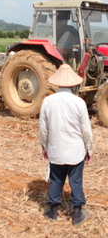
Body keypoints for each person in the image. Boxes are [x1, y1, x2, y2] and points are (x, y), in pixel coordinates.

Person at [40, 64, 93, 226]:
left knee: (56, 180)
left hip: (56, 149)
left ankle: (53, 212)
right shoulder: (79, 102)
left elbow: (43, 129)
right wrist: (89, 149)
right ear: (73, 84)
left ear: (57, 83)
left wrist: (44, 147)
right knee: (76, 181)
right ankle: (77, 215)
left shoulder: (47, 101)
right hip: (75, 151)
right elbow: (86, 130)